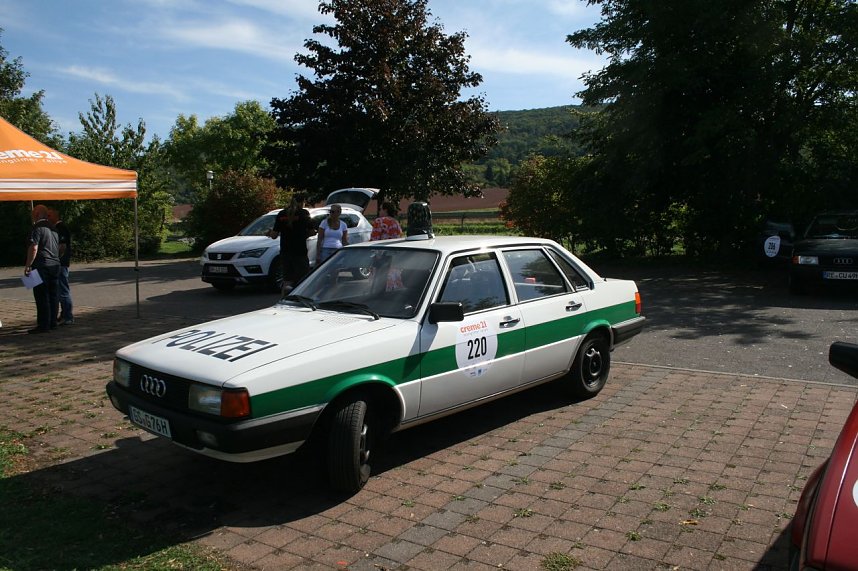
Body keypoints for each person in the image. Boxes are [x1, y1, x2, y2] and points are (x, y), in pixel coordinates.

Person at [24, 204, 61, 334]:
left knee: (41, 295)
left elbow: (34, 247)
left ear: (38, 214)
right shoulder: (54, 228)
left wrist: (28, 264)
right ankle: (53, 322)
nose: (32, 216)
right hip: (55, 264)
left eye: (33, 213)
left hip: (41, 264)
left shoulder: (37, 228)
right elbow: (60, 248)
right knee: (53, 294)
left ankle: (43, 324)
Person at [268, 200, 314, 290]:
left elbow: (274, 235)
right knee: (303, 279)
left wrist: (269, 233)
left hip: (285, 251)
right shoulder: (304, 213)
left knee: (287, 280)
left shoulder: (281, 214)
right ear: (301, 203)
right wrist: (304, 234)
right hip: (300, 251)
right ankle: (299, 299)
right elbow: (312, 231)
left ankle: (284, 299)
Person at [47, 208, 74, 324]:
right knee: (59, 290)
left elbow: (62, 246)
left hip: (61, 263)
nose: (47, 218)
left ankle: (68, 316)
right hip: (59, 263)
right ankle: (64, 315)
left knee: (63, 290)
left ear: (55, 216)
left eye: (49, 215)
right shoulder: (56, 228)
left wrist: (56, 258)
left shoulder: (60, 228)